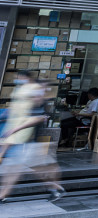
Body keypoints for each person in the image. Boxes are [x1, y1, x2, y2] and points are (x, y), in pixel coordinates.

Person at [0, 73, 66, 203]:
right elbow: (16, 111)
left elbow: (37, 118)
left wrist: (15, 129)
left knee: (28, 169)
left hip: (28, 141)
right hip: (24, 140)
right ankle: (56, 189)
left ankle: (56, 189)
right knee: (22, 168)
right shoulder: (27, 99)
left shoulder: (38, 101)